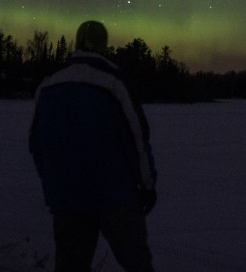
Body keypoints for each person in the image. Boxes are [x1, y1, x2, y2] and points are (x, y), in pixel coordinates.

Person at [29, 20, 157, 272]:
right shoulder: (114, 83)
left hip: (67, 197)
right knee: (138, 265)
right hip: (115, 197)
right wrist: (147, 185)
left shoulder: (48, 85)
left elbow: (37, 144)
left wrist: (52, 183)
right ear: (104, 45)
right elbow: (137, 140)